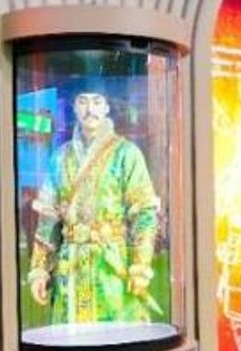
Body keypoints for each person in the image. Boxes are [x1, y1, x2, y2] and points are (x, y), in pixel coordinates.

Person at [25, 90, 163, 327]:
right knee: (71, 339)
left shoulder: (126, 153)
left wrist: (140, 266)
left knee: (116, 338)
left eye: (97, 102)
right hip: (70, 269)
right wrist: (40, 269)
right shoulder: (60, 157)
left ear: (107, 107)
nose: (90, 109)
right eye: (83, 102)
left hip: (111, 269)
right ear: (75, 107)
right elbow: (48, 218)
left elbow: (144, 214)